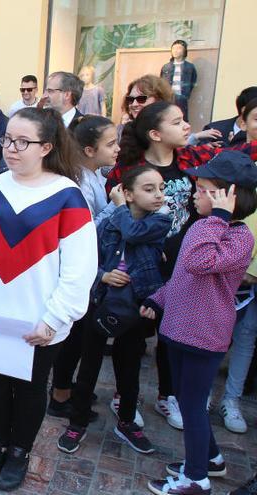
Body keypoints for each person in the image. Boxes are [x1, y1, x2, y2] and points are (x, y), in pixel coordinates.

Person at [0, 107, 96, 491]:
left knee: (32, 387)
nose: (11, 149)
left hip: (39, 320)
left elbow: (79, 269)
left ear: (46, 147)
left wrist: (54, 319)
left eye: (22, 142)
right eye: (7, 141)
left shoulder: (68, 196)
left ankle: (19, 452)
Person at [106, 101, 257, 430]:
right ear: (156, 134)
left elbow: (238, 164)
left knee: (170, 334)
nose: (187, 126)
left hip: (185, 263)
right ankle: (124, 395)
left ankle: (166, 394)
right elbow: (113, 215)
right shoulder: (129, 166)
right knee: (132, 333)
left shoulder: (196, 159)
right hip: (140, 266)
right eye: (177, 122)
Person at [142, 151, 257, 495]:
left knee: (192, 406)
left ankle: (196, 479)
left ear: (228, 195)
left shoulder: (237, 236)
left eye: (204, 188)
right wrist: (158, 299)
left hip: (202, 335)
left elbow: (198, 262)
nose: (195, 193)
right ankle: (211, 459)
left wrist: (219, 217)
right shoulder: (205, 226)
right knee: (188, 399)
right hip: (179, 330)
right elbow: (182, 278)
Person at [57, 166, 171, 456]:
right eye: (149, 189)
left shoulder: (159, 222)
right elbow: (83, 261)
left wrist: (119, 207)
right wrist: (104, 275)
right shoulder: (106, 227)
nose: (159, 195)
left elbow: (133, 233)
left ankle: (127, 421)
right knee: (89, 366)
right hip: (102, 303)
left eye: (160, 188)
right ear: (129, 193)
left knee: (129, 368)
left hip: (135, 308)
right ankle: (78, 420)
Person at [47, 116, 122, 418]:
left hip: (93, 266)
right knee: (73, 335)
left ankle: (67, 388)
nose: (117, 149)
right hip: (79, 268)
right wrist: (115, 206)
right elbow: (86, 228)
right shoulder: (78, 180)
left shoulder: (96, 175)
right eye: (111, 143)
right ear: (89, 150)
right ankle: (60, 394)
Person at [217, 98, 257, 434]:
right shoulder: (236, 159)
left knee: (247, 336)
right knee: (221, 331)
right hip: (234, 260)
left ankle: (232, 399)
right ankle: (200, 392)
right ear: (242, 121)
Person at [160, 40, 197, 121]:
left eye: (179, 48)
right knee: (167, 117)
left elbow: (193, 81)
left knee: (182, 116)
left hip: (182, 97)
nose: (175, 51)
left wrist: (186, 94)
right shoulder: (166, 67)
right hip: (168, 97)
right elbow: (161, 82)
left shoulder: (190, 67)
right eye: (173, 48)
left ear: (184, 51)